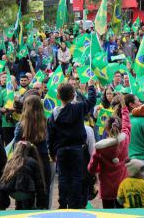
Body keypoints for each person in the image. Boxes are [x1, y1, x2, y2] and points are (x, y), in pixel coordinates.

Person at [47, 80, 97, 209]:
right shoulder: (78, 108)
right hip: (77, 149)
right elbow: (92, 101)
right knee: (76, 177)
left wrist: (52, 153)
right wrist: (91, 86)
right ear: (73, 95)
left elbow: (51, 136)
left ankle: (63, 203)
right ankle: (75, 204)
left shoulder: (53, 114)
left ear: (58, 96)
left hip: (61, 151)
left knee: (63, 177)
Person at [88, 95, 131, 209]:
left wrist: (99, 169)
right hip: (122, 184)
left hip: (106, 187)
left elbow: (91, 168)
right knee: (122, 214)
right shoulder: (125, 138)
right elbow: (127, 124)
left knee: (108, 213)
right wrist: (123, 106)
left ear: (106, 129)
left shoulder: (99, 148)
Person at [14, 95, 51, 208]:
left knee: (25, 191)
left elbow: (16, 146)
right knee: (43, 191)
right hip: (43, 159)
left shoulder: (20, 125)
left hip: (25, 160)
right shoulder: (46, 123)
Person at [0, 141, 47, 210]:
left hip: (12, 192)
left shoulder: (10, 162)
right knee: (30, 186)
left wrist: (2, 204)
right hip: (27, 193)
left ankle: (17, 208)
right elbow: (40, 185)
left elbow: (2, 182)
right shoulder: (33, 162)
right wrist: (41, 204)